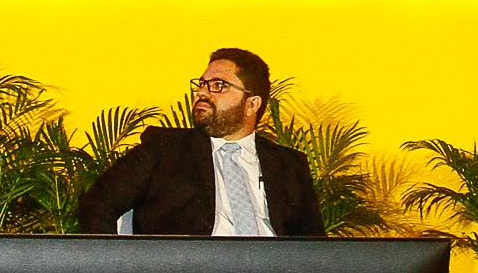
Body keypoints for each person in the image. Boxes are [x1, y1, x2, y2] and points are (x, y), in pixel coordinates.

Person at [77, 48, 322, 237]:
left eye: (219, 86)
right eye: (202, 84)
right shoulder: (163, 149)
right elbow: (97, 205)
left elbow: (314, 244)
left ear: (252, 104)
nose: (202, 93)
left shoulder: (289, 165)